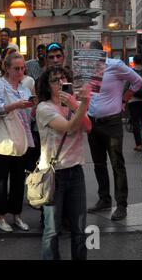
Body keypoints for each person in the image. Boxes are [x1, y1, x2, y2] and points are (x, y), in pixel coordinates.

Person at [36, 66, 92, 260]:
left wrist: (76, 104)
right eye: (55, 80)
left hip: (75, 170)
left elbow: (88, 126)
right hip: (54, 174)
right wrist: (83, 103)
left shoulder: (73, 103)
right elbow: (69, 127)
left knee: (79, 228)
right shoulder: (44, 108)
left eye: (63, 78)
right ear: (47, 85)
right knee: (52, 230)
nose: (60, 82)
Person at [86, 41, 142, 221]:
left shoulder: (115, 66)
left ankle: (121, 205)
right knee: (99, 164)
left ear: (99, 54)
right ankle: (104, 199)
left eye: (88, 53)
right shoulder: (86, 70)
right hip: (93, 122)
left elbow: (138, 81)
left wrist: (124, 100)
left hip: (111, 123)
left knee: (117, 164)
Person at [0, 52, 35, 232]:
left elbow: (27, 115)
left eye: (23, 68)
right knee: (1, 179)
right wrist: (16, 105)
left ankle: (17, 215)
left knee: (18, 178)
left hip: (21, 137)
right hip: (2, 136)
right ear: (6, 68)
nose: (20, 71)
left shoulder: (24, 87)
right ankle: (0, 217)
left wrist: (32, 106)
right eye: (16, 68)